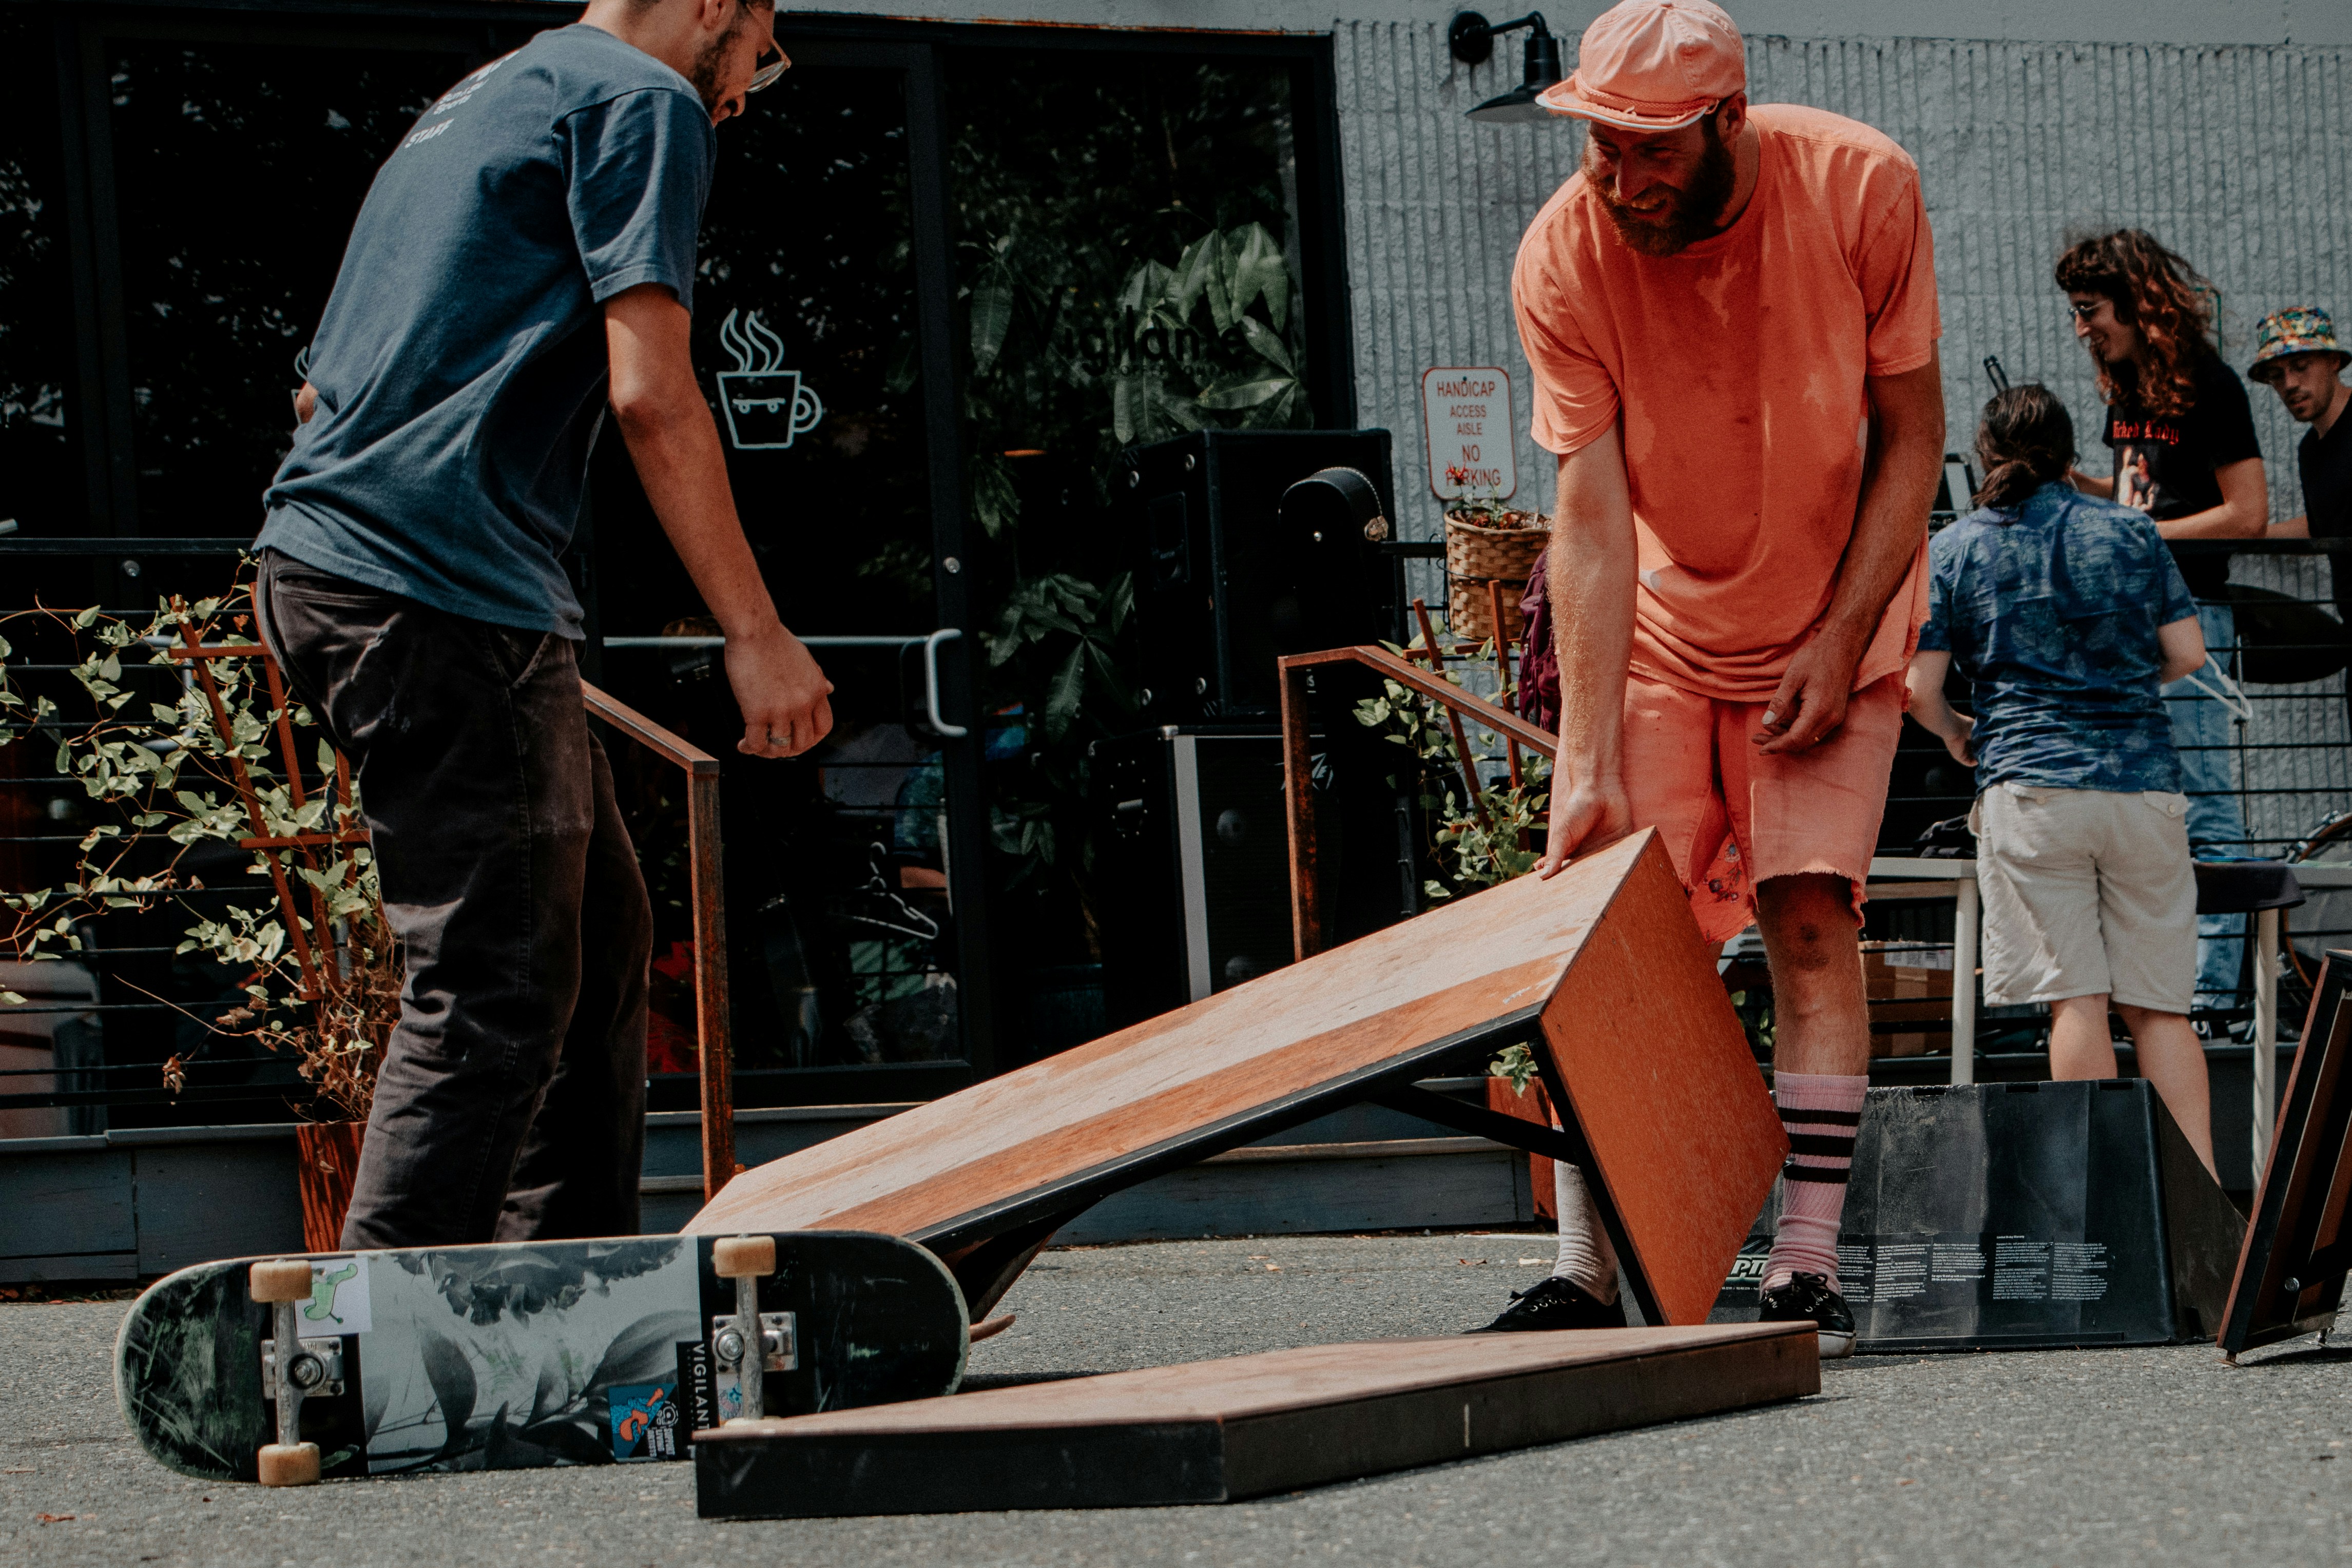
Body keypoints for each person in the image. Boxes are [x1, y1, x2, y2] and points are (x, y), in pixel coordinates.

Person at [255, 0, 836, 1249]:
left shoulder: (484, 100)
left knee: (596, 937)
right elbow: (652, 393)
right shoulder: (641, 98)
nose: (742, 93)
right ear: (707, 8)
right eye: (758, 54)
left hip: (348, 569)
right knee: (497, 979)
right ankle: (380, 1354)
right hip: (438, 585)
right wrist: (754, 631)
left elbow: (321, 384)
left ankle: (557, 1292)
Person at [1481, 0, 1945, 1357]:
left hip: (1830, 614)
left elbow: (1910, 440)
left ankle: (1800, 1265)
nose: (1620, 181)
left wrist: (1838, 634)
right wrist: (1582, 757)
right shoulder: (1560, 251)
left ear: (1726, 120)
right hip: (1658, 627)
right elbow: (1585, 511)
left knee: (1809, 919)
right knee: (1617, 933)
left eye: (1649, 151)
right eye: (1597, 151)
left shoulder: (1860, 186)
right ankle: (1584, 1261)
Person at [1908, 386, 2217, 1173]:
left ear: (1984, 452)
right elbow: (2185, 653)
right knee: (2160, 1008)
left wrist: (1956, 731)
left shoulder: (1958, 545)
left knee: (2074, 1000)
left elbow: (1917, 686)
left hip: (2031, 791)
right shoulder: (2129, 530)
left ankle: (2107, 1209)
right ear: (2069, 451)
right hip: (2140, 785)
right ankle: (2204, 1214)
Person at [2055, 231, 2267, 1014]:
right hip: (2130, 625)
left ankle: (2216, 997)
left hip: (2193, 620)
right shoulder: (2125, 390)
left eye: (2089, 311)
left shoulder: (2209, 384)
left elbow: (2247, 514)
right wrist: (2069, 482)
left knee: (2205, 807)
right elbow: (2137, 504)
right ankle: (2167, 987)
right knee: (2141, 812)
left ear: (2136, 304)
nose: (2081, 328)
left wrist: (2138, 534)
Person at [2250, 305, 2352, 639]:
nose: (2290, 384)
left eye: (2301, 366)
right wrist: (2245, 532)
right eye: (2277, 375)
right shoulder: (2310, 450)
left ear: (2334, 361)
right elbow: (2322, 526)